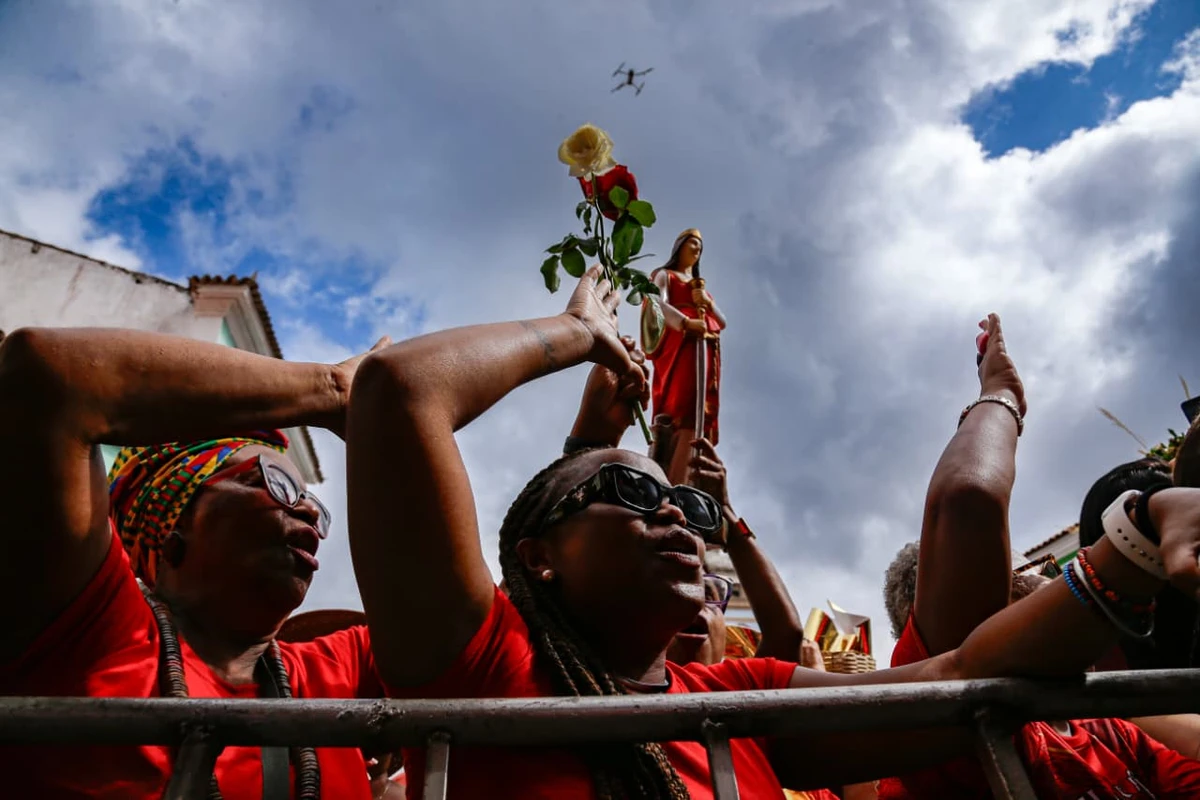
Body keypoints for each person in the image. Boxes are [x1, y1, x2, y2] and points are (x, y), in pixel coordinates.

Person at [346, 266, 1200, 799]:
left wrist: (1133, 538)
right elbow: (397, 389)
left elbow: (964, 673)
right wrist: (579, 336)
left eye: (688, 506)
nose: (675, 512)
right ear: (537, 556)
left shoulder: (741, 701)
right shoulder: (483, 657)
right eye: (626, 491)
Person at [0, 326, 388, 799]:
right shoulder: (91, 631)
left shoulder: (335, 670)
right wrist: (332, 389)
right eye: (275, 485)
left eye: (311, 501)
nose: (308, 510)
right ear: (173, 526)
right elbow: (45, 373)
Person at [879, 316, 1200, 799]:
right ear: (989, 603)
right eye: (1026, 571)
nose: (1053, 569)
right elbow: (969, 501)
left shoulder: (1104, 728)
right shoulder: (959, 732)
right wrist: (1001, 395)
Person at [644, 228, 726, 483]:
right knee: (681, 403)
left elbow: (721, 322)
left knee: (699, 407)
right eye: (692, 243)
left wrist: (708, 303)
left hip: (704, 347)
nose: (697, 248)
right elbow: (657, 303)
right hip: (680, 344)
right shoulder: (665, 275)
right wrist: (685, 323)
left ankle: (691, 471)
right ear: (679, 246)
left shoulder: (701, 292)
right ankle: (672, 467)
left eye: (700, 245)